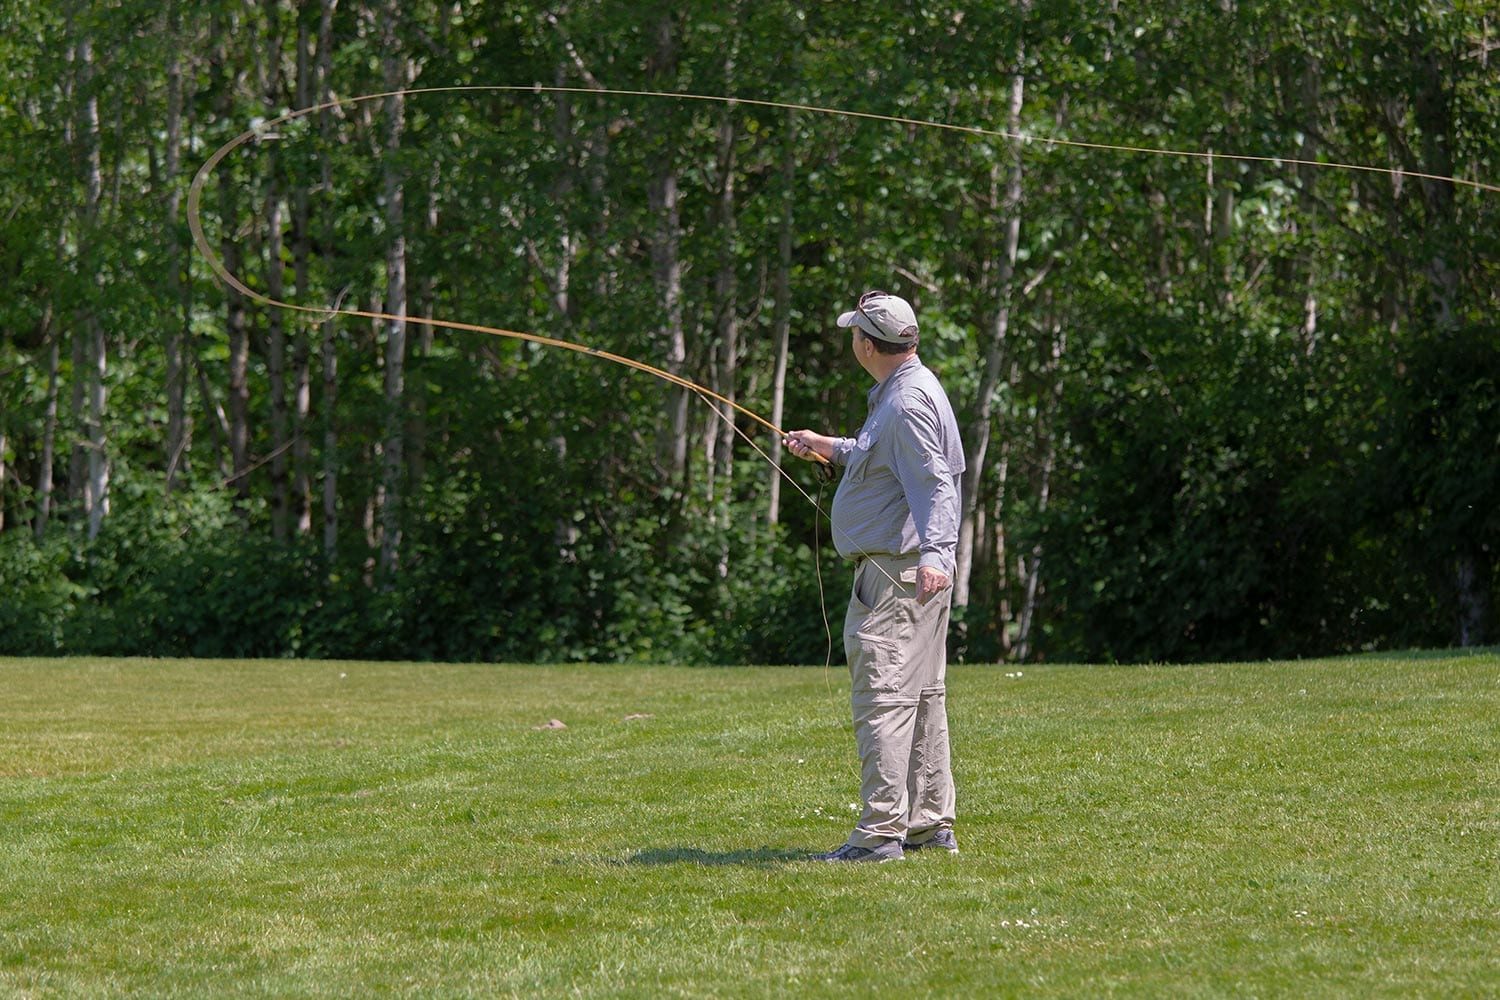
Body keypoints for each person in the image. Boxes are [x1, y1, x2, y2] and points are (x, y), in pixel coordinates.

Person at [784, 289, 966, 863]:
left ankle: (880, 836)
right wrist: (829, 448)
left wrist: (936, 554)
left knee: (885, 697)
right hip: (911, 574)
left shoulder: (906, 403)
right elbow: (882, 456)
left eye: (854, 333)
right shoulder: (909, 391)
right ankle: (927, 825)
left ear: (867, 343)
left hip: (898, 576)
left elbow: (935, 483)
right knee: (922, 697)